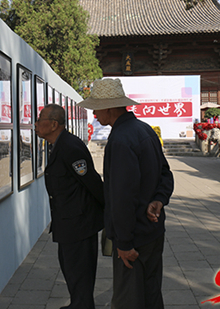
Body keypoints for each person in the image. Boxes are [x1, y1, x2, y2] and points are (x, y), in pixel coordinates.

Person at [78, 78, 174, 309]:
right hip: (152, 229)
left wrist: (124, 242)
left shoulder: (121, 139)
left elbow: (122, 196)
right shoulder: (144, 130)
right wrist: (159, 200)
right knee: (151, 293)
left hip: (134, 237)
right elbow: (166, 174)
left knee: (128, 298)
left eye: (96, 108)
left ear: (109, 107)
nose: (94, 114)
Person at [35, 104, 104, 309]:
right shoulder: (59, 144)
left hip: (79, 223)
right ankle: (79, 303)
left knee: (79, 270)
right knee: (70, 268)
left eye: (40, 119)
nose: (36, 124)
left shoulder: (70, 147)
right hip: (68, 221)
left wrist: (108, 213)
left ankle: (82, 305)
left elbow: (92, 182)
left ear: (54, 124)